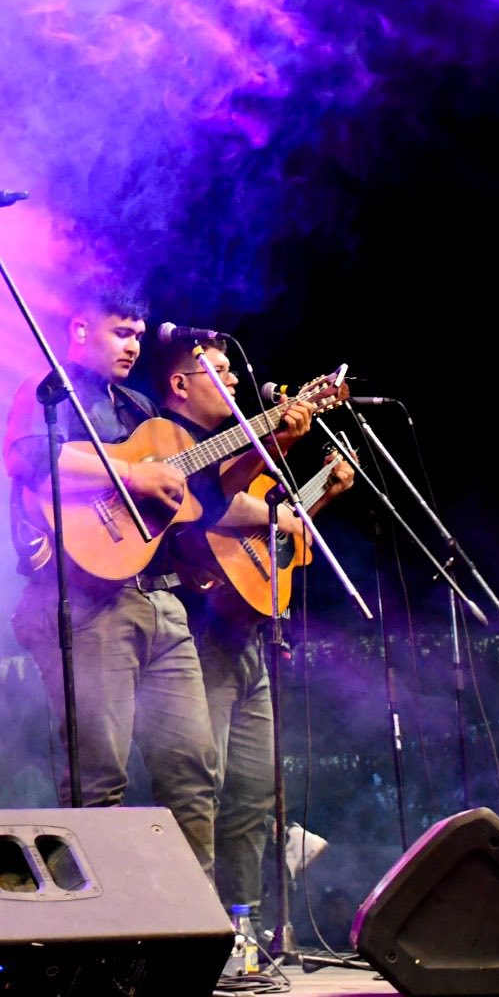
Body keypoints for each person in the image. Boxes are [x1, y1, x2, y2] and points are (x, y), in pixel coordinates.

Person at [3, 284, 314, 879]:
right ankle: (98, 919)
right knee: (99, 779)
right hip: (86, 603)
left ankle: (195, 917)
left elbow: (205, 504)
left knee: (195, 770)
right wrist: (131, 476)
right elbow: (27, 459)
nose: (133, 346)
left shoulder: (141, 410)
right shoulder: (51, 390)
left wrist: (271, 443)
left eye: (138, 336)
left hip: (160, 601)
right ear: (80, 330)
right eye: (121, 332)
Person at [150, 333, 352, 924]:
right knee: (199, 784)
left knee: (254, 789)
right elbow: (218, 508)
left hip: (245, 634)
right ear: (180, 384)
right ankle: (190, 925)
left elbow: (272, 542)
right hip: (197, 634)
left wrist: (316, 496)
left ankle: (243, 926)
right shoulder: (163, 440)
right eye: (220, 370)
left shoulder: (231, 449)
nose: (235, 379)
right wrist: (284, 508)